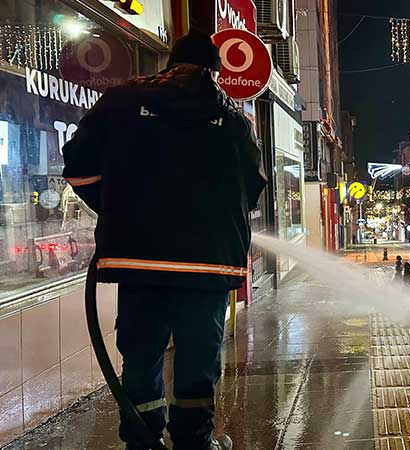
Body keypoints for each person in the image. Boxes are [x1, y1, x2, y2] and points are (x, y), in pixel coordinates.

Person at [62, 31, 266, 450]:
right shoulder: (231, 117)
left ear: (169, 64)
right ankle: (194, 442)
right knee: (199, 358)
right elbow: (253, 186)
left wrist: (118, 208)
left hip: (138, 258)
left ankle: (142, 440)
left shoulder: (120, 101)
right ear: (215, 71)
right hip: (208, 263)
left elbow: (77, 166)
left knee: (140, 353)